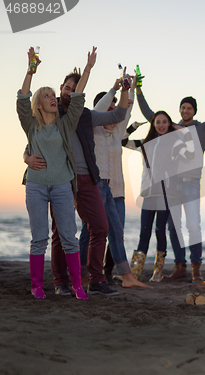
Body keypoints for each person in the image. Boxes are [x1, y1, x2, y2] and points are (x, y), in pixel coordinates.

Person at [25, 67, 128, 297]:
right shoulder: (52, 114)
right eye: (67, 88)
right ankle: (60, 282)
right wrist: (26, 157)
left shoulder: (85, 114)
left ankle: (96, 279)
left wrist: (124, 90)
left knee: (100, 227)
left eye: (75, 89)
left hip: (88, 178)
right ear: (61, 88)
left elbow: (117, 116)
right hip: (63, 178)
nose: (70, 92)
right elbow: (33, 142)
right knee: (60, 233)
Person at [18, 46, 94, 300]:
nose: (53, 98)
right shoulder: (31, 125)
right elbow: (22, 98)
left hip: (62, 186)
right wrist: (30, 70)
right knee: (39, 239)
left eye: (54, 95)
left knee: (69, 239)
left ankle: (76, 286)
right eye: (48, 95)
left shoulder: (65, 123)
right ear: (39, 104)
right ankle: (37, 286)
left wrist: (87, 69)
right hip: (36, 186)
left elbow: (79, 97)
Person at [136, 81, 205, 282]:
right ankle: (180, 266)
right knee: (173, 227)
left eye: (189, 108)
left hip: (192, 185)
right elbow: (150, 114)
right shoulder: (170, 128)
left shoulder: (203, 129)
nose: (185, 110)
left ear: (194, 111)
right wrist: (139, 91)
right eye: (183, 107)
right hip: (171, 186)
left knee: (193, 226)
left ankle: (196, 269)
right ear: (180, 109)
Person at [86, 78, 151, 289]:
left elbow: (126, 112)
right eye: (109, 108)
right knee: (90, 233)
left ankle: (120, 274)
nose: (113, 112)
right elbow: (99, 109)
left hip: (117, 192)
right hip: (96, 189)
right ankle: (82, 273)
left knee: (116, 233)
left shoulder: (117, 133)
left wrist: (130, 90)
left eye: (114, 109)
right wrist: (113, 92)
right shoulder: (93, 132)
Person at [123, 109, 194, 281]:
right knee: (144, 233)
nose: (161, 125)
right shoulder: (145, 143)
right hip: (148, 193)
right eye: (158, 122)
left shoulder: (176, 143)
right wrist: (132, 126)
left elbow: (191, 153)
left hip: (166, 195)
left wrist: (184, 131)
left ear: (169, 124)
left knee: (160, 231)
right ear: (153, 125)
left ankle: (157, 273)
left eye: (164, 122)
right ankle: (135, 272)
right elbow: (122, 140)